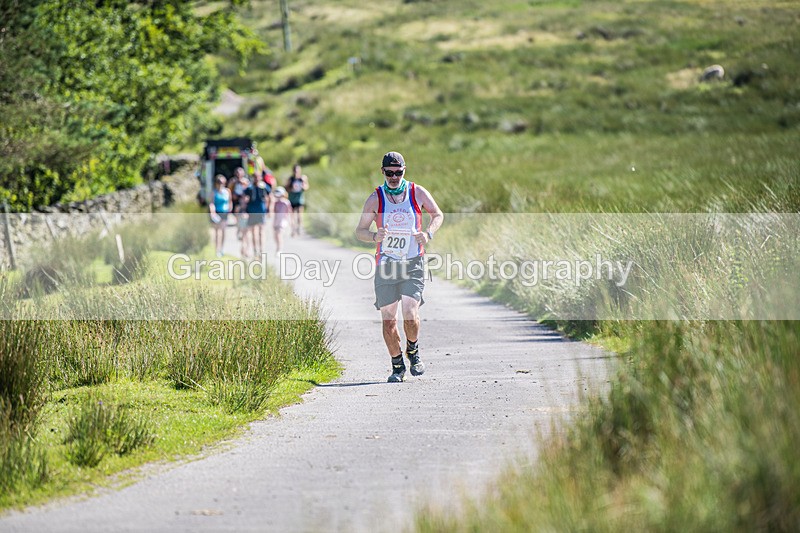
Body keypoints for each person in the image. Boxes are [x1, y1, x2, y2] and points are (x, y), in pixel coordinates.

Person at [355, 151, 444, 383]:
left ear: (405, 170)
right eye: (390, 172)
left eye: (399, 172)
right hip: (386, 264)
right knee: (388, 319)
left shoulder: (417, 192)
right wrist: (375, 236)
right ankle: (397, 366)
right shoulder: (375, 199)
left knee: (410, 312)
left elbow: (437, 214)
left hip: (413, 262)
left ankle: (413, 351)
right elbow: (360, 231)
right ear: (382, 172)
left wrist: (428, 233)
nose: (394, 177)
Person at [243, 172, 272, 258]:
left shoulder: (263, 187)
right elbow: (245, 199)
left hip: (261, 211)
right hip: (251, 211)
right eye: (255, 177)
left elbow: (270, 197)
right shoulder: (249, 188)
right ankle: (255, 250)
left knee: (261, 231)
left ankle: (261, 250)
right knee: (253, 232)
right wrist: (244, 210)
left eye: (258, 177)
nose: (256, 179)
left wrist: (269, 208)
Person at [208, 174, 231, 257]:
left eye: (222, 182)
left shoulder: (227, 191)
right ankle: (217, 249)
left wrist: (230, 211)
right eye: (219, 182)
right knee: (218, 232)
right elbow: (211, 203)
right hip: (217, 213)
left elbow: (229, 202)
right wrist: (212, 213)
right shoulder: (214, 192)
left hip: (225, 213)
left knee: (224, 231)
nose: (220, 184)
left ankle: (222, 248)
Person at [286, 163, 309, 237]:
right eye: (295, 171)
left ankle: (299, 229)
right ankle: (293, 230)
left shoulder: (303, 178)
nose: (296, 172)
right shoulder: (291, 179)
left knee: (299, 215)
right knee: (292, 216)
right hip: (292, 199)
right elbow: (286, 188)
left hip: (299, 200)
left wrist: (303, 185)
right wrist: (291, 188)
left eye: (298, 170)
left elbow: (306, 187)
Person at [272, 186, 292, 253]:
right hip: (276, 220)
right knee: (275, 236)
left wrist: (290, 221)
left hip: (283, 221)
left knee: (279, 235)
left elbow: (289, 212)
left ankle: (279, 249)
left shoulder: (286, 202)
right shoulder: (275, 202)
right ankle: (278, 247)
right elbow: (273, 211)